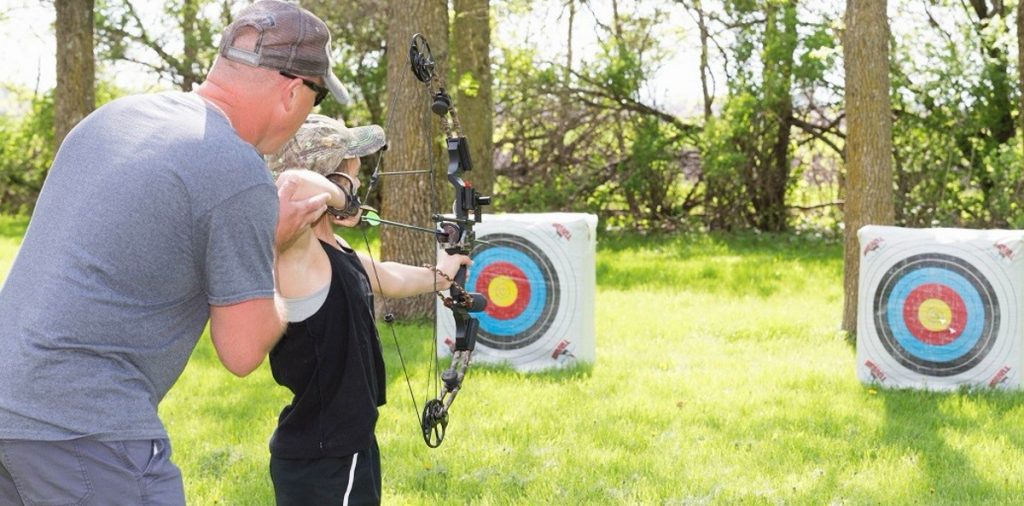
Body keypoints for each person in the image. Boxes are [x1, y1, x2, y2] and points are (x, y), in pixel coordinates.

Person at [0, 2, 350, 504]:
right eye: (315, 100)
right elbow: (243, 350)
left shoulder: (117, 116)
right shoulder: (236, 168)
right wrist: (279, 250)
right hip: (83, 426)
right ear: (293, 90)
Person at [264, 114, 472, 505]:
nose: (359, 184)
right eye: (351, 176)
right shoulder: (296, 253)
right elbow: (290, 183)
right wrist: (344, 198)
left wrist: (443, 272)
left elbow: (389, 277)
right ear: (328, 183)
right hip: (324, 456)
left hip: (344, 443)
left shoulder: (336, 252)